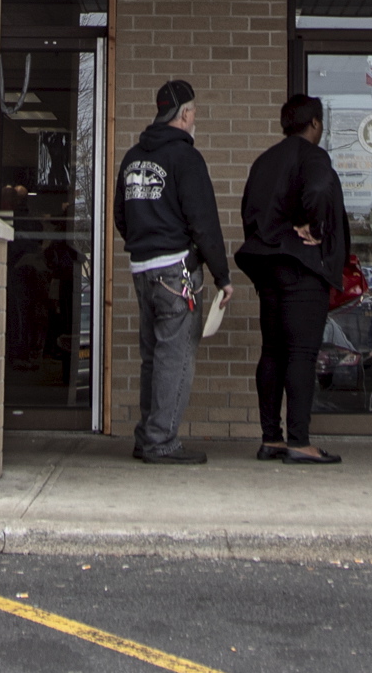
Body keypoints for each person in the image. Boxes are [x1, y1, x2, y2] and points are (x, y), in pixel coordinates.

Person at [117, 78, 231, 466]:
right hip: (176, 271)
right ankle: (161, 442)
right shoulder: (186, 158)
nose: (195, 118)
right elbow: (204, 222)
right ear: (184, 114)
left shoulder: (133, 157)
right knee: (175, 356)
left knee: (153, 355)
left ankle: (147, 436)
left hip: (142, 270)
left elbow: (121, 216)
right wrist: (222, 275)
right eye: (194, 111)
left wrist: (146, 242)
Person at [236, 93, 346, 466]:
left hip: (266, 265)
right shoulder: (313, 156)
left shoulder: (265, 160)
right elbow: (316, 189)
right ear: (314, 123)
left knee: (273, 351)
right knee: (301, 352)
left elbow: (248, 208)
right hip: (300, 266)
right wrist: (315, 227)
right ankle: (299, 441)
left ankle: (272, 439)